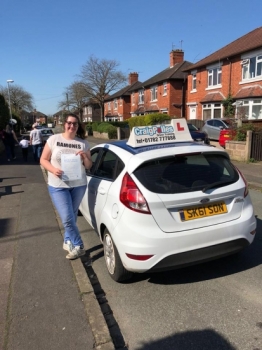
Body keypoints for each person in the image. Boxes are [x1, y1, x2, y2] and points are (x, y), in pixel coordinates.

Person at [40, 113, 92, 260]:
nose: (71, 126)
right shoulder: (54, 139)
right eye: (69, 123)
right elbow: (43, 159)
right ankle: (79, 245)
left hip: (78, 185)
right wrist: (53, 169)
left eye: (75, 123)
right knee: (67, 218)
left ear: (78, 126)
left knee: (72, 215)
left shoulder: (83, 143)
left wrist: (85, 157)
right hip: (58, 186)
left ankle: (68, 240)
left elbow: (88, 166)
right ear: (65, 124)